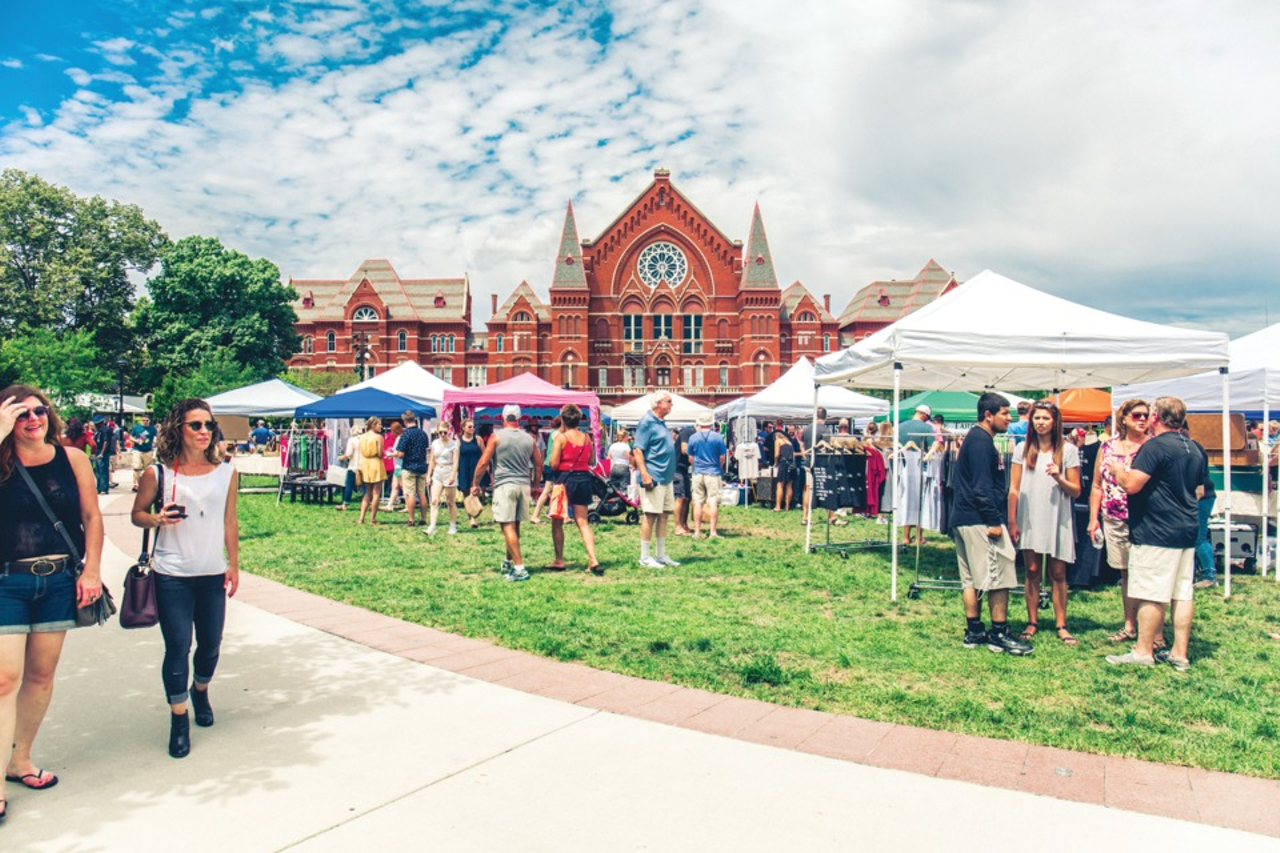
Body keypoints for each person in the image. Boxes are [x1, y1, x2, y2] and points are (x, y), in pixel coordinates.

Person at [0, 386, 105, 815]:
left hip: (60, 579)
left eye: (38, 411)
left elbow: (92, 517)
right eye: (19, 413)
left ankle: (19, 758)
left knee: (41, 676)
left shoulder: (72, 458)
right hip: (7, 581)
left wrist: (93, 569)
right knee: (5, 679)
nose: (32, 419)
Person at [130, 398, 239, 758]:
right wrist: (156, 518)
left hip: (210, 573)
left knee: (210, 645)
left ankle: (201, 691)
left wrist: (234, 564)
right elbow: (137, 515)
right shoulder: (159, 473)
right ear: (179, 429)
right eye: (196, 425)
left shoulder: (227, 471)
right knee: (178, 646)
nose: (205, 431)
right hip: (171, 573)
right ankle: (179, 719)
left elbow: (229, 521)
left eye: (209, 425)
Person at [1106, 396, 1203, 671]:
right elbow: (1199, 490)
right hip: (1186, 529)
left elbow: (1133, 485)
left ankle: (1143, 651)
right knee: (1182, 593)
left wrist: (1118, 471)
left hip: (1157, 530)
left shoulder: (1155, 446)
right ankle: (1179, 653)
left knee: (1151, 593)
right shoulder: (1194, 448)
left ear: (1156, 417)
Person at [951, 392, 1032, 655]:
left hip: (965, 518)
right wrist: (994, 521)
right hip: (979, 520)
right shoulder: (980, 442)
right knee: (999, 575)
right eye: (1005, 413)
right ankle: (999, 632)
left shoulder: (978, 439)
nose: (1010, 418)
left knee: (971, 579)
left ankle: (974, 632)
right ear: (988, 415)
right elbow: (982, 487)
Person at [1008, 401, 1081, 645]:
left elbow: (1076, 490)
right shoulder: (1023, 449)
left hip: (1057, 516)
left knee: (1058, 571)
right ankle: (1032, 621)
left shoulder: (1067, 450)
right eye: (1036, 418)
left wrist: (1059, 477)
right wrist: (1012, 520)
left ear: (1054, 422)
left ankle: (1061, 623)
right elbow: (1014, 488)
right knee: (1031, 570)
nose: (1040, 422)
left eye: (1045, 418)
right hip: (1029, 515)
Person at [1087, 399, 1150, 645]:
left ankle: (1152, 631)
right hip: (1113, 518)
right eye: (1136, 415)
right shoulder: (1108, 446)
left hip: (1145, 519)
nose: (1142, 419)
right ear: (1123, 419)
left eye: (1146, 415)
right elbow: (1096, 485)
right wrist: (1093, 519)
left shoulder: (1152, 446)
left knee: (1145, 573)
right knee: (1126, 573)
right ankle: (1130, 625)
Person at [471, 404, 542, 582]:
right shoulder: (529, 439)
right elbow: (538, 464)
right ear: (520, 419)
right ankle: (508, 561)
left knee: (507, 525)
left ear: (503, 418)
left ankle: (520, 568)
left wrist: (475, 483)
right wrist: (535, 484)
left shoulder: (496, 437)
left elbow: (483, 462)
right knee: (515, 525)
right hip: (523, 484)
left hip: (505, 485)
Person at [546, 404, 602, 573]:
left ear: (562, 420)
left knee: (557, 521)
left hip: (564, 480)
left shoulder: (561, 438)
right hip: (583, 478)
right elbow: (592, 460)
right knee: (583, 522)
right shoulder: (586, 438)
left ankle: (559, 560)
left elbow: (554, 463)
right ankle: (593, 559)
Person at [633, 392, 679, 568]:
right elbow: (638, 449)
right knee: (650, 515)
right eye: (669, 402)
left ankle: (661, 555)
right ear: (658, 404)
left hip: (666, 478)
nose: (671, 405)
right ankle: (645, 557)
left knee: (665, 514)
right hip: (653, 477)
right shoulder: (647, 422)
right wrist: (645, 474)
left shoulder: (661, 423)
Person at [687, 413, 728, 538]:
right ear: (711, 423)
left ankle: (697, 532)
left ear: (699, 423)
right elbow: (722, 457)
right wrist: (717, 466)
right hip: (713, 472)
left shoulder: (693, 437)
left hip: (698, 472)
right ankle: (713, 532)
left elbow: (690, 457)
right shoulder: (718, 437)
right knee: (713, 502)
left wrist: (697, 465)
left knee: (697, 502)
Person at [1189, 428, 1217, 590]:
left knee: (1199, 538)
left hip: (1202, 496)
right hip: (1203, 495)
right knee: (1197, 537)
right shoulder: (1194, 446)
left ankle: (1209, 576)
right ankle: (1199, 574)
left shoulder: (1192, 447)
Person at [397, 412, 430, 528]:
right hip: (421, 466)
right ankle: (424, 518)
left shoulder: (405, 435)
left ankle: (411, 519)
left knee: (410, 493)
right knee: (421, 493)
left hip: (409, 466)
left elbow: (400, 453)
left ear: (405, 421)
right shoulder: (423, 434)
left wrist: (393, 454)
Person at [426, 423, 459, 535]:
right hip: (437, 472)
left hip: (449, 471)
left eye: (445, 432)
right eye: (440, 432)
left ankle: (453, 525)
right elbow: (431, 460)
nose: (443, 434)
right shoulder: (435, 443)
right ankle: (432, 525)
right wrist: (428, 475)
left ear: (449, 431)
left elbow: (455, 462)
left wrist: (453, 475)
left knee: (450, 501)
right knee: (434, 501)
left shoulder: (454, 444)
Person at [530, 417, 563, 525]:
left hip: (550, 464)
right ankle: (535, 515)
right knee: (547, 491)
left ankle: (553, 512)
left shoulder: (553, 433)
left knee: (555, 490)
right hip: (552, 464)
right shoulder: (557, 434)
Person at [356, 417, 387, 525]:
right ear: (373, 425)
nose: (381, 426)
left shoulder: (362, 437)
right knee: (376, 493)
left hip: (366, 463)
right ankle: (372, 519)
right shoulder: (378, 437)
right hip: (375, 463)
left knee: (367, 492)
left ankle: (361, 518)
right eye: (379, 424)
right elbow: (379, 453)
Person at [456, 420, 483, 527]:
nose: (472, 428)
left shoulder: (478, 439)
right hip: (463, 468)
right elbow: (456, 456)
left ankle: (475, 512)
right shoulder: (458, 441)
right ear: (463, 428)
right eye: (469, 427)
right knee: (466, 494)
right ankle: (471, 518)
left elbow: (484, 453)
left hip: (476, 468)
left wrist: (487, 467)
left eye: (473, 427)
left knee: (475, 492)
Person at [335, 424, 364, 511]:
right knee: (365, 486)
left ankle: (345, 503)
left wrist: (341, 457)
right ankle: (367, 502)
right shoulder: (364, 439)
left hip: (353, 466)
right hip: (364, 465)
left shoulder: (352, 440)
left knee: (349, 485)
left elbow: (349, 453)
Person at [130, 414, 158, 491]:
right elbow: (131, 437)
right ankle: (137, 484)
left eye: (147, 420)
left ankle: (145, 484)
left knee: (147, 469)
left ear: (149, 421)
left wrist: (154, 443)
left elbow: (156, 438)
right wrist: (136, 440)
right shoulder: (137, 428)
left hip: (148, 450)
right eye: (143, 420)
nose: (145, 422)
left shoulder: (153, 429)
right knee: (136, 467)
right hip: (137, 449)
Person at [381, 421, 404, 511]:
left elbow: (399, 453)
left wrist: (390, 454)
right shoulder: (400, 438)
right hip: (397, 465)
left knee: (402, 486)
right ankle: (390, 505)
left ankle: (407, 506)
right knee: (395, 486)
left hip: (399, 465)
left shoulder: (399, 438)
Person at [91, 416, 117, 493]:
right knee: (98, 471)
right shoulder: (98, 431)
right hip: (97, 452)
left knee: (103, 471)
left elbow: (106, 442)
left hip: (103, 453)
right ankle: (99, 488)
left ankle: (104, 489)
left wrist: (102, 453)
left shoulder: (106, 430)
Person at [773, 425, 795, 512]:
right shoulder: (789, 442)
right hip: (792, 464)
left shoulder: (778, 441)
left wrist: (776, 462)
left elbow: (777, 454)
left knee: (780, 484)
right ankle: (787, 507)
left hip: (783, 463)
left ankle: (778, 506)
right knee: (789, 485)